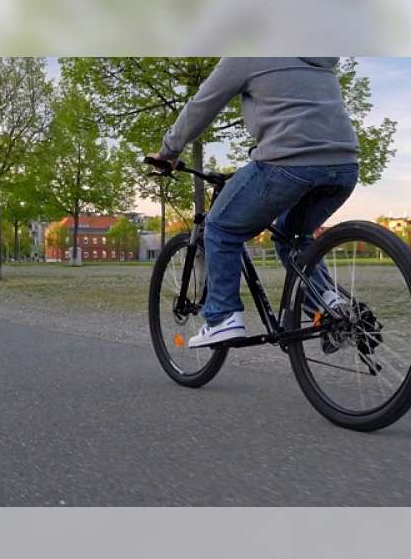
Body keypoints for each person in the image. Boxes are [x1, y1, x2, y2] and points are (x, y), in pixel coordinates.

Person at [149, 57, 359, 348]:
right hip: (345, 166)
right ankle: (329, 305)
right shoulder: (316, 54)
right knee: (291, 237)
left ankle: (223, 318)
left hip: (287, 163)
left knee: (220, 229)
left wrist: (168, 152)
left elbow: (202, 105)